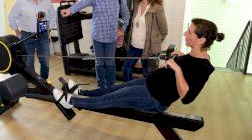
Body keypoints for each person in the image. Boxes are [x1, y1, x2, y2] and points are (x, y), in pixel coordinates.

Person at [53, 18, 225, 112]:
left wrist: (177, 68)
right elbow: (186, 67)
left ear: (201, 40)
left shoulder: (204, 68)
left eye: (190, 32)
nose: (185, 33)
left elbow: (187, 98)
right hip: (148, 83)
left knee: (107, 100)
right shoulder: (193, 55)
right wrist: (180, 57)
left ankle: (71, 101)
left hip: (153, 98)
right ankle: (80, 92)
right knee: (111, 89)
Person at [60, 0, 130, 89]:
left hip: (112, 38)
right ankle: (101, 87)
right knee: (99, 63)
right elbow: (83, 3)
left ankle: (110, 86)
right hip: (98, 36)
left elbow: (126, 14)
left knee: (110, 63)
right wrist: (70, 10)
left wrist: (122, 29)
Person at [8, 0, 56, 80]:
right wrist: (16, 30)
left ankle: (44, 82)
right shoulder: (20, 1)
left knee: (45, 61)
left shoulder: (47, 2)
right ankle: (34, 82)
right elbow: (12, 16)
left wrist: (49, 29)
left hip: (42, 34)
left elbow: (53, 16)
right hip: (26, 35)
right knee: (28, 62)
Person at [122, 0, 168, 81]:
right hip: (134, 46)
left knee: (148, 75)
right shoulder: (137, 5)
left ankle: (146, 95)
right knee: (126, 69)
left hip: (148, 49)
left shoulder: (157, 8)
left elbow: (164, 31)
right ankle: (130, 90)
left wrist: (154, 44)